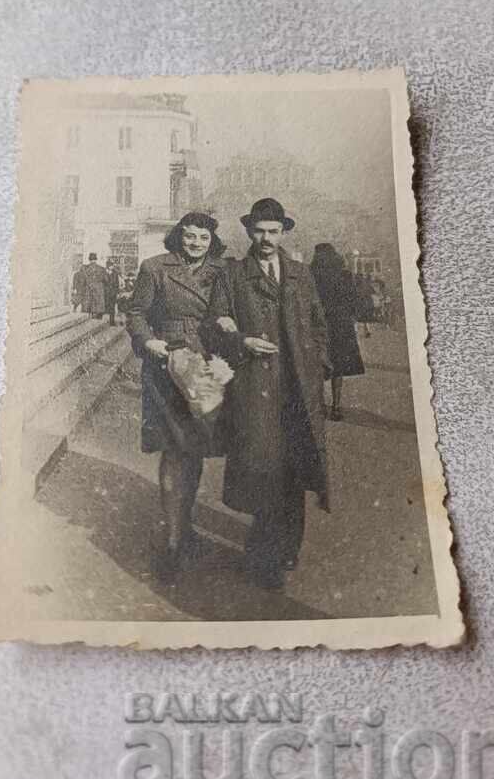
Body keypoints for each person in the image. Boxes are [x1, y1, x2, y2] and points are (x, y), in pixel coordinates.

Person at [211, 198, 328, 591]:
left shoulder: (300, 274)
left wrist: (316, 367)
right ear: (248, 232)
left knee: (294, 471)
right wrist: (242, 340)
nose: (266, 238)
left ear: (284, 233)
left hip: (298, 389)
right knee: (265, 471)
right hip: (256, 388)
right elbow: (216, 324)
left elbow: (318, 324)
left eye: (273, 231)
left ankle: (287, 547)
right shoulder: (232, 276)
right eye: (259, 231)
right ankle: (265, 556)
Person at [125, 212, 228, 581]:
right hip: (165, 366)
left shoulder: (220, 273)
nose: (196, 243)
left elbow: (224, 315)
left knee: (195, 451)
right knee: (173, 450)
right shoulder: (154, 268)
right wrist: (148, 340)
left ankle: (184, 528)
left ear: (211, 241)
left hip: (202, 367)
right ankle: (171, 542)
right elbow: (135, 312)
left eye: (203, 237)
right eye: (190, 236)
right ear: (178, 237)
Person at [310, 243, 364, 421]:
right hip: (341, 325)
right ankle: (336, 406)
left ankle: (318, 406)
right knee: (338, 367)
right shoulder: (345, 275)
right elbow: (354, 299)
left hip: (318, 324)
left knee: (318, 364)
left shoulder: (312, 275)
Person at [75, 252, 107, 318]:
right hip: (98, 292)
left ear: (89, 259)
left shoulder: (84, 269)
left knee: (87, 312)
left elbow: (81, 282)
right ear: (96, 259)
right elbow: (106, 280)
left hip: (88, 291)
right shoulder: (102, 269)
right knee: (98, 311)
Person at [105, 258, 121, 325]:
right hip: (105, 293)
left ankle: (112, 321)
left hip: (113, 293)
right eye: (111, 265)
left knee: (112, 308)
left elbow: (117, 284)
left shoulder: (115, 273)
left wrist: (117, 293)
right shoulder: (103, 272)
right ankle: (99, 321)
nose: (112, 266)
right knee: (103, 307)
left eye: (113, 265)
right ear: (108, 265)